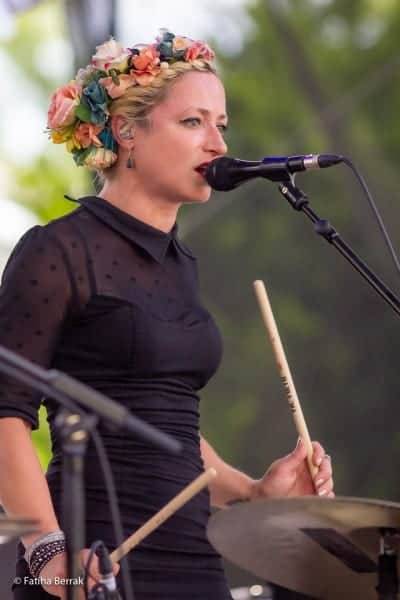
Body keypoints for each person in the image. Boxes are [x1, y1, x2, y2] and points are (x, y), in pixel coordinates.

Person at [0, 30, 334, 600]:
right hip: (91, 556)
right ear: (127, 130)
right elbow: (4, 413)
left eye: (221, 125)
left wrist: (252, 492)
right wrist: (50, 554)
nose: (217, 144)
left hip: (192, 558)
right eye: (193, 122)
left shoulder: (180, 263)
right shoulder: (57, 250)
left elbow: (167, 425)